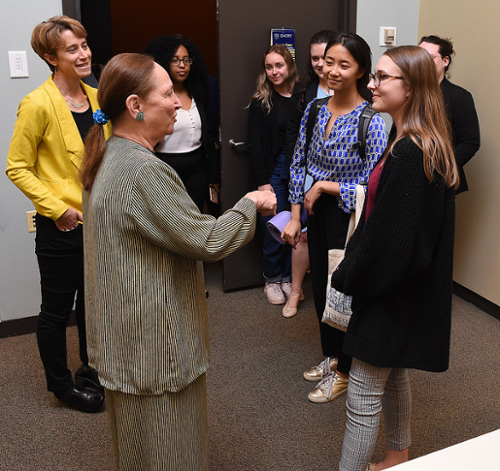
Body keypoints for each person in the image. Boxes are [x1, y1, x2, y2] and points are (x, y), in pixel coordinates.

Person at [80, 53, 276, 471]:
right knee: (174, 453)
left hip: (124, 340)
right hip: (157, 349)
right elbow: (207, 240)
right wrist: (250, 203)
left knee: (136, 452)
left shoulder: (107, 156)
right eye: (168, 93)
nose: (177, 103)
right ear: (136, 106)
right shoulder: (143, 172)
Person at [331, 45, 459, 471]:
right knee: (395, 373)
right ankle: (397, 457)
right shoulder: (415, 140)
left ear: (412, 88)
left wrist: (350, 277)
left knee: (363, 394)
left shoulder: (411, 153)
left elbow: (393, 246)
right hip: (407, 290)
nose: (371, 83)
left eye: (382, 77)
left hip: (392, 293)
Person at [5, 15, 109, 413]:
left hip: (99, 223)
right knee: (55, 310)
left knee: (91, 304)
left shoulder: (97, 98)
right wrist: (56, 209)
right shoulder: (36, 104)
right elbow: (17, 167)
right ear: (51, 57)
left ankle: (91, 366)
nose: (83, 54)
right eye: (72, 49)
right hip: (62, 226)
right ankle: (61, 386)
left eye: (83, 45)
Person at [282, 33, 387, 403]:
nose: (333, 71)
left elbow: (373, 185)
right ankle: (332, 356)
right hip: (316, 211)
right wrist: (294, 216)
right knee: (322, 290)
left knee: (343, 290)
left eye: (345, 64)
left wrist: (327, 186)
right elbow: (298, 162)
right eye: (329, 62)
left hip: (350, 215)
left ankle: (345, 370)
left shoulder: (371, 121)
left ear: (361, 70)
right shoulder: (314, 109)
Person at [283, 29, 337, 319]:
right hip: (305, 175)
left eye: (326, 58)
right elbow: (295, 137)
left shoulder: (360, 94)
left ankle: (334, 297)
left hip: (340, 181)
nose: (320, 64)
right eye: (315, 58)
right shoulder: (305, 91)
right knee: (301, 235)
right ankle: (295, 290)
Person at [247, 45, 299, 305]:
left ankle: (290, 277)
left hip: (299, 172)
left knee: (297, 227)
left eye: (279, 65)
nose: (274, 71)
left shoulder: (304, 96)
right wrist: (263, 183)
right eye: (269, 67)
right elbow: (255, 145)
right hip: (275, 172)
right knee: (275, 229)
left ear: (289, 66)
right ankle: (273, 279)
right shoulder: (262, 101)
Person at [143, 35, 219, 212]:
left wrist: (213, 176)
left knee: (194, 218)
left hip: (197, 169)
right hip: (165, 168)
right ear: (164, 62)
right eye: (175, 60)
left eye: (186, 60)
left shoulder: (198, 94)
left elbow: (207, 140)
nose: (182, 65)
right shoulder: (154, 97)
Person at [419, 35, 480, 194]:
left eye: (430, 58)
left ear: (445, 61)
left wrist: (442, 170)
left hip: (441, 182)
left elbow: (471, 141)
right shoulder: (408, 92)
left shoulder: (459, 96)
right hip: (408, 175)